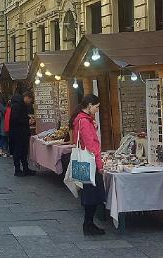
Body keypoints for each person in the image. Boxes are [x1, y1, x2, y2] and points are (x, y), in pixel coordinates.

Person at [71, 94, 105, 236]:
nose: (97, 110)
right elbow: (91, 144)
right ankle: (88, 224)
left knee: (89, 193)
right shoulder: (84, 121)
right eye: (96, 107)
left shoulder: (81, 119)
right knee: (93, 194)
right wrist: (99, 163)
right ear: (90, 105)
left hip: (85, 161)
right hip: (90, 162)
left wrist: (94, 127)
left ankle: (89, 224)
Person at [9, 90, 36, 176]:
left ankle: (25, 168)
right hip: (18, 133)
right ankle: (17, 170)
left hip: (22, 132)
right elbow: (15, 119)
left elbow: (19, 117)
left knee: (24, 151)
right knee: (18, 151)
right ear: (27, 98)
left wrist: (27, 117)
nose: (30, 102)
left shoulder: (21, 105)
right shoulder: (17, 105)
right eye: (30, 100)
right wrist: (27, 121)